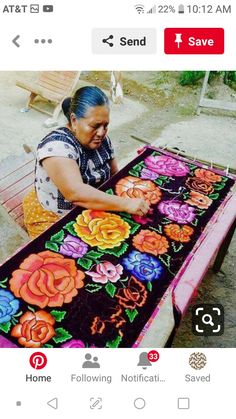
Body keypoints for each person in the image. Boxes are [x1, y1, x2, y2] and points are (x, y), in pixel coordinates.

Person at [23, 86, 149, 238]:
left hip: (91, 206)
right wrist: (126, 204)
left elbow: (115, 175)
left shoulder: (102, 141)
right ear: (74, 120)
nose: (102, 132)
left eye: (105, 125)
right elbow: (75, 193)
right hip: (55, 215)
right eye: (95, 126)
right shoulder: (56, 147)